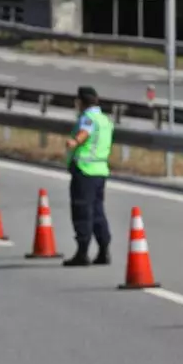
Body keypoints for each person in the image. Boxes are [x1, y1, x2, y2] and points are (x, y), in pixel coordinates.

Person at [64, 85, 113, 266]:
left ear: (80, 102)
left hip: (85, 170)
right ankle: (103, 250)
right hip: (101, 170)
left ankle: (82, 252)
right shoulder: (105, 119)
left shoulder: (88, 118)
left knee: (82, 211)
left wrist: (74, 141)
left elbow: (85, 132)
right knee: (98, 211)